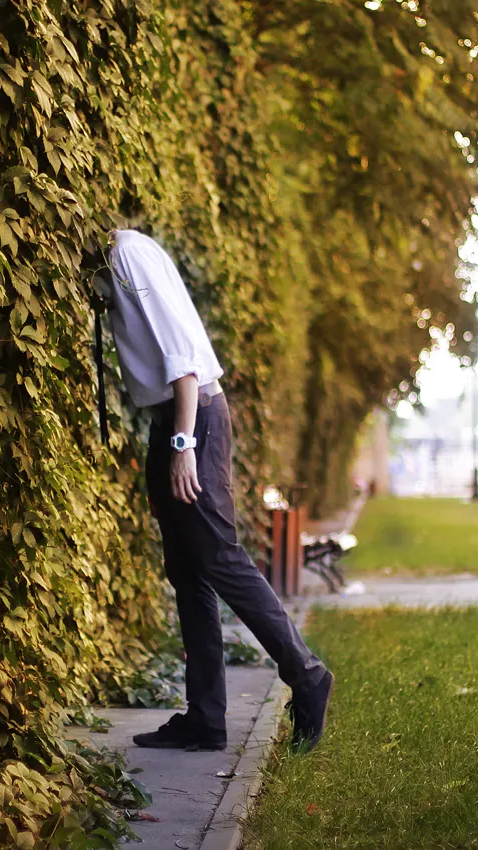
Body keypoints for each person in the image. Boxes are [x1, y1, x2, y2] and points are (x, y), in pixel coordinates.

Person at [89, 228, 333, 753]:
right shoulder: (128, 252)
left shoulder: (127, 256)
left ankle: (307, 674)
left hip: (191, 419)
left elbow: (184, 362)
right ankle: (206, 718)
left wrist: (182, 445)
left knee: (220, 558)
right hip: (174, 422)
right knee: (188, 570)